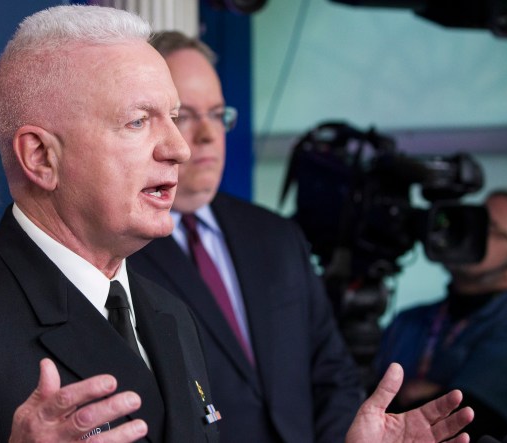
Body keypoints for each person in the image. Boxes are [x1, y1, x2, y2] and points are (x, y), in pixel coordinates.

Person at [0, 5, 473, 443]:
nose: (181, 148)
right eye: (138, 122)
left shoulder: (165, 315)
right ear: (41, 158)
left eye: (175, 118)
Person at [127, 30, 364, 443]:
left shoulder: (276, 234)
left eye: (217, 114)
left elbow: (333, 373)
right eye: (184, 115)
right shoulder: (120, 252)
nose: (207, 135)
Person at [375, 189, 507, 440]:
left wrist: (407, 401)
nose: (471, 233)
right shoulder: (410, 319)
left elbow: (474, 417)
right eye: (472, 221)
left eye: (488, 228)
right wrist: (435, 394)